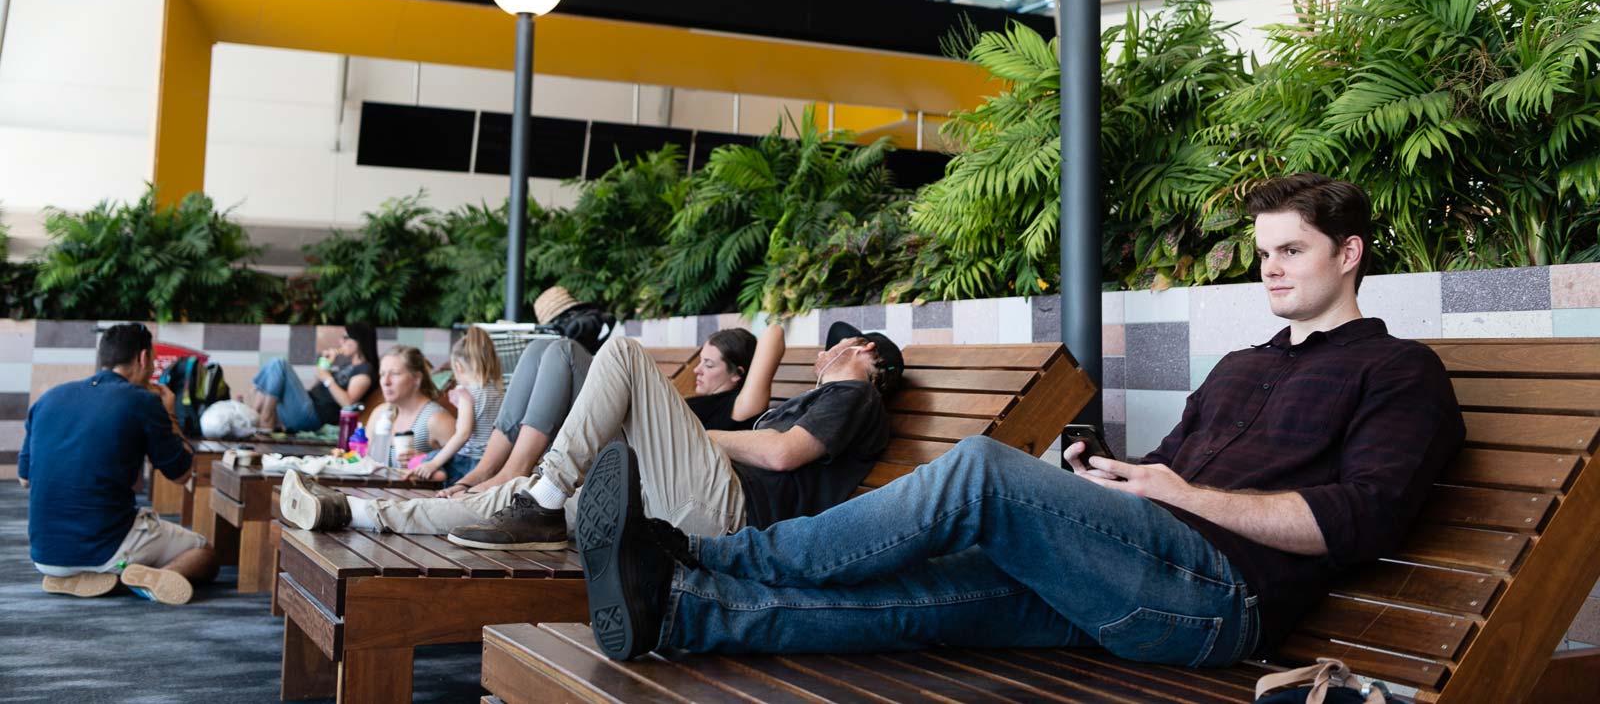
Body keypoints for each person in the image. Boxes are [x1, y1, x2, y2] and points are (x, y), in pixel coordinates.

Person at [573, 173, 1467, 665]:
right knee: (931, 593)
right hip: (1130, 573)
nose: (1270, 268)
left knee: (981, 470)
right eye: (1265, 251)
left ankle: (713, 555)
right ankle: (683, 610)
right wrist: (1103, 469)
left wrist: (1185, 494)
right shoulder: (1242, 364)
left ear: (1349, 254)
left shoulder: (1400, 372)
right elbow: (1162, 473)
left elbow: (1362, 518)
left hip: (1219, 601)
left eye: (1292, 250)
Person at [279, 320, 894, 552]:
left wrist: (695, 436)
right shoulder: (819, 398)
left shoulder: (855, 394)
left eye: (837, 343)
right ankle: (356, 512)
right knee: (514, 495)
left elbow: (782, 456)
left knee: (622, 352)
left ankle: (546, 496)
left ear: (863, 350)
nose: (828, 351)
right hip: (679, 500)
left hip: (727, 513)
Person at [19, 323, 220, 605]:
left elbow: (25, 480)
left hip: (45, 555)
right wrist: (170, 414)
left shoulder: (48, 399)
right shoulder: (142, 401)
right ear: (143, 358)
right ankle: (155, 575)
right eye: (152, 361)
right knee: (205, 553)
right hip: (106, 547)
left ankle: (77, 575)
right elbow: (182, 474)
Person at [437, 286, 613, 494]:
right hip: (578, 413)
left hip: (609, 431)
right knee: (537, 348)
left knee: (563, 349)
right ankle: (484, 470)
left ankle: (514, 471)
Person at [409, 328, 505, 485]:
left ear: (459, 367)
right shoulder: (498, 392)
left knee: (430, 457)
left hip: (469, 462)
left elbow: (463, 434)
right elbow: (484, 419)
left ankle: (441, 472)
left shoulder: (467, 394)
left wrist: (434, 463)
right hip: (492, 460)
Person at [245, 322, 376, 433]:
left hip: (314, 417)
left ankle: (263, 418)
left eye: (345, 338)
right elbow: (317, 388)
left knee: (279, 364)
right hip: (308, 405)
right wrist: (325, 366)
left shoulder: (365, 369)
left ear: (359, 341)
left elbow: (348, 404)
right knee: (273, 370)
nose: (340, 342)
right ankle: (255, 415)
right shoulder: (346, 366)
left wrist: (328, 378)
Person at [372, 346, 456, 472]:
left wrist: (427, 460)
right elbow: (365, 461)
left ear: (416, 379)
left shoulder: (436, 419)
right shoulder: (380, 413)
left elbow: (464, 468)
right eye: (382, 374)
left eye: (394, 374)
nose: (385, 381)